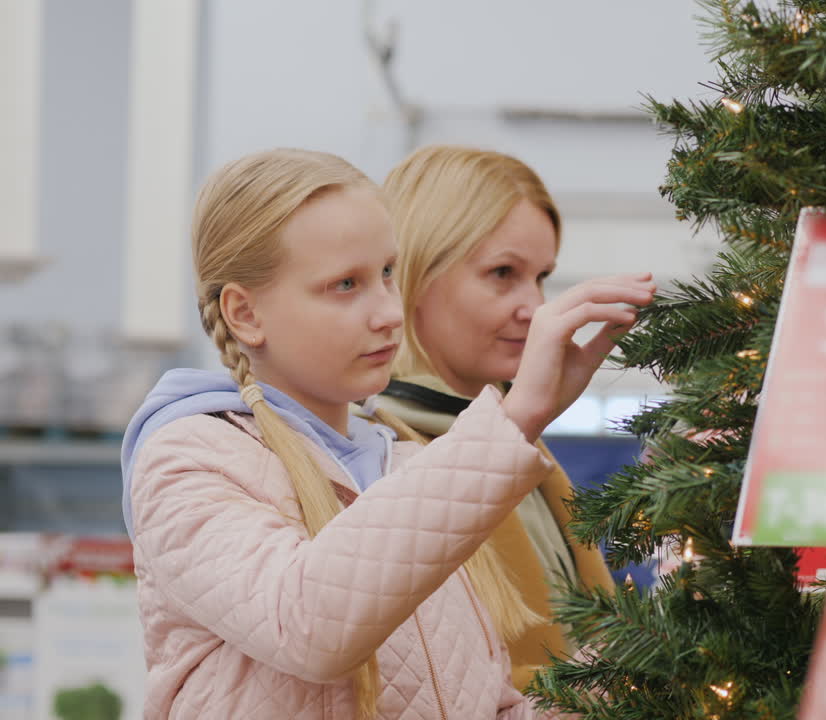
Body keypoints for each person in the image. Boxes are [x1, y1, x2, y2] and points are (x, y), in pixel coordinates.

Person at [119, 148, 655, 719]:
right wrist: (516, 418)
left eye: (387, 274)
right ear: (245, 314)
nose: (388, 313)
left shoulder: (402, 460)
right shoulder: (187, 459)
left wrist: (666, 637)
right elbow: (308, 625)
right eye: (345, 284)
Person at [375, 146, 619, 689]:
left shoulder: (510, 435)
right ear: (416, 273)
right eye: (503, 273)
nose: (534, 307)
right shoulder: (372, 452)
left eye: (542, 277)